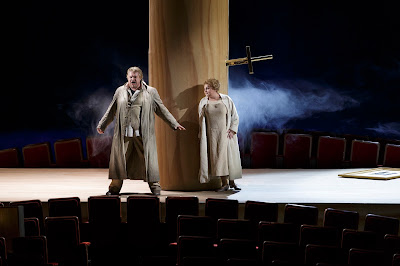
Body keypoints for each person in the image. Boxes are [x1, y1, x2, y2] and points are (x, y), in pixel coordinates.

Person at [97, 66, 185, 196]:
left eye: (135, 77)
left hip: (142, 134)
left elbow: (161, 109)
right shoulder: (120, 91)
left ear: (140, 78)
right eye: (131, 77)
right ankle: (114, 188)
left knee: (148, 160)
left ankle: (155, 187)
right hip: (124, 134)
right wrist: (102, 125)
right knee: (119, 161)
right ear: (127, 77)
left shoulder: (151, 92)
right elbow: (112, 109)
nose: (133, 79)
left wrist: (174, 123)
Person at [198, 78, 242, 191]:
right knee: (218, 158)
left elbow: (234, 116)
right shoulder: (204, 102)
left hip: (226, 134)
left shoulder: (226, 99)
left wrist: (232, 129)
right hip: (212, 135)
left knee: (228, 158)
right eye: (205, 89)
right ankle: (224, 183)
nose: (205, 91)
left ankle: (232, 182)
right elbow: (201, 120)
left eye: (208, 88)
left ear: (214, 88)